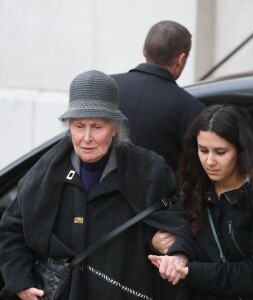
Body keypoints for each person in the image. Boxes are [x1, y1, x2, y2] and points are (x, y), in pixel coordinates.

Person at [0, 70, 194, 300]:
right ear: (69, 127)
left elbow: (179, 221)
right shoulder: (44, 173)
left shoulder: (149, 169)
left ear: (114, 128)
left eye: (97, 127)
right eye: (79, 126)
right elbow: (12, 230)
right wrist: (20, 282)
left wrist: (177, 254)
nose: (87, 137)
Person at [149, 104, 253, 300]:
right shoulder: (193, 185)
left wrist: (191, 272)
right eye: (203, 150)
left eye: (220, 152)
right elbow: (179, 228)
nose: (210, 161)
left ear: (242, 151)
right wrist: (172, 248)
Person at [112, 20, 204, 175]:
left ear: (143, 50)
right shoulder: (192, 108)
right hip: (159, 197)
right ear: (181, 59)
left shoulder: (106, 86)